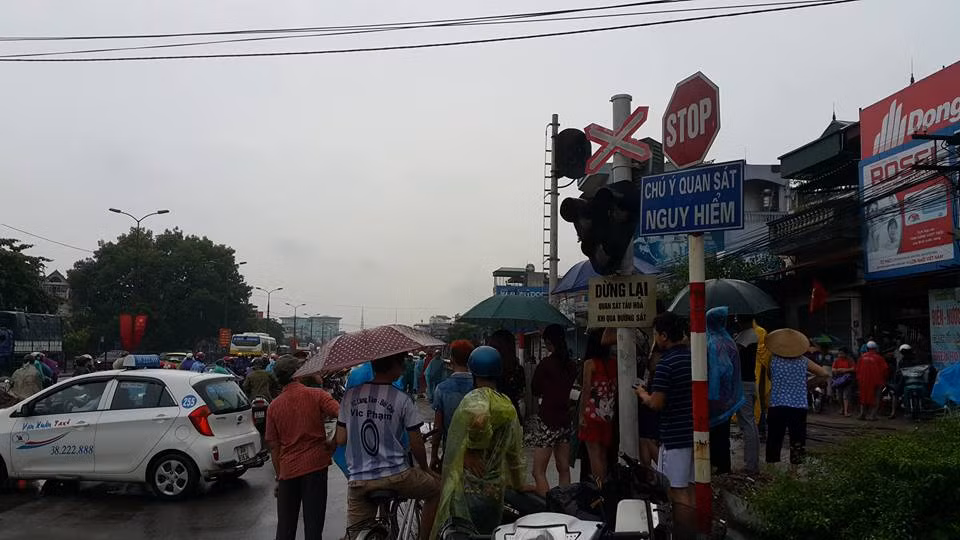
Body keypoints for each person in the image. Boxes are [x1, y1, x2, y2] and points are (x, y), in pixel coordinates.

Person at [336, 352, 440, 540]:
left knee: (355, 533)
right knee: (436, 491)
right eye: (401, 363)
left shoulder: (349, 396)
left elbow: (341, 439)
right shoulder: (402, 399)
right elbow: (416, 443)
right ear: (394, 366)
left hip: (359, 480)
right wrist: (425, 469)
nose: (403, 368)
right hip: (397, 476)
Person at [429, 346, 528, 539]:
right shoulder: (507, 404)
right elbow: (514, 453)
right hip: (495, 493)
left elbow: (479, 418)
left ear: (473, 372)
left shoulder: (476, 398)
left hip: (468, 491)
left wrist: (472, 451)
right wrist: (519, 484)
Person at [266, 357, 340, 540]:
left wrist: (279, 475)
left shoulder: (274, 407)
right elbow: (343, 414)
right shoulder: (317, 395)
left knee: (285, 528)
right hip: (315, 467)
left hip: (287, 471)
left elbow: (273, 446)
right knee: (313, 526)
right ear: (298, 374)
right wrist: (334, 441)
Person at [635, 312, 695, 539]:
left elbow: (657, 403)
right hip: (694, 433)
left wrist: (643, 394)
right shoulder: (693, 358)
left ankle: (683, 535)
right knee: (690, 489)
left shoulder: (666, 364)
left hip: (675, 436)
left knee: (676, 492)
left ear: (664, 336)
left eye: (655, 335)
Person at [764, 328, 828, 468]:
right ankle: (794, 470)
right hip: (798, 406)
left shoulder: (773, 360)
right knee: (797, 438)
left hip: (777, 404)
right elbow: (823, 374)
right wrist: (806, 384)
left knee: (774, 437)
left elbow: (770, 376)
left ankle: (771, 468)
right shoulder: (803, 361)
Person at [528, 324, 576, 495]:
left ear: (549, 342)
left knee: (538, 471)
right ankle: (565, 503)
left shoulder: (546, 364)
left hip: (548, 420)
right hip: (565, 420)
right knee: (563, 467)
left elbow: (535, 389)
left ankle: (548, 505)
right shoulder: (571, 365)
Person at [706, 307, 745, 476]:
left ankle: (719, 470)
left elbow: (722, 369)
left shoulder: (713, 342)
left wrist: (713, 396)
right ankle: (722, 469)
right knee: (723, 436)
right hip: (728, 397)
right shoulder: (729, 340)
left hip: (716, 398)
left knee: (715, 437)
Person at [579, 328, 617, 484]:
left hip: (592, 415)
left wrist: (581, 415)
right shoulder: (613, 364)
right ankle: (605, 487)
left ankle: (598, 488)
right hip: (608, 415)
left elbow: (586, 389)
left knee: (594, 455)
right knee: (603, 455)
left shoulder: (590, 364)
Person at [431, 340, 475, 471]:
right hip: (477, 456)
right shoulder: (479, 387)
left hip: (451, 453)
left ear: (451, 359)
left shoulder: (442, 389)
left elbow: (438, 427)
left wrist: (434, 455)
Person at [734, 316, 760, 474]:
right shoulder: (748, 334)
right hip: (747, 383)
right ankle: (752, 463)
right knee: (749, 424)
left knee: (748, 424)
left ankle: (751, 466)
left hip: (744, 384)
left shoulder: (748, 336)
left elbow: (735, 356)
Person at [487, 330, 526, 422]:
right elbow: (520, 393)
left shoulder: (490, 368)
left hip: (492, 414)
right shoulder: (518, 369)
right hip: (513, 413)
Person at [637, 343, 661, 469]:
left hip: (652, 415)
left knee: (647, 442)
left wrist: (642, 394)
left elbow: (654, 401)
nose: (650, 358)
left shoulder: (660, 374)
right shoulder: (652, 375)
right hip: (647, 418)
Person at [857, 341, 889, 421]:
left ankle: (862, 414)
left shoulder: (862, 358)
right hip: (876, 381)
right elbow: (885, 370)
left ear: (867, 348)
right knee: (876, 398)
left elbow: (857, 370)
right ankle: (872, 415)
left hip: (863, 381)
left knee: (863, 397)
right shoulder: (879, 358)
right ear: (876, 348)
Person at [831, 348, 856, 417]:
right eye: (839, 353)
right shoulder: (836, 361)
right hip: (839, 380)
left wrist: (845, 370)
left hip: (848, 380)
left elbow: (854, 368)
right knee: (839, 396)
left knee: (846, 396)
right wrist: (837, 370)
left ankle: (846, 411)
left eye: (842, 353)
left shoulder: (850, 360)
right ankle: (842, 408)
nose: (840, 355)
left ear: (846, 354)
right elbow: (833, 368)